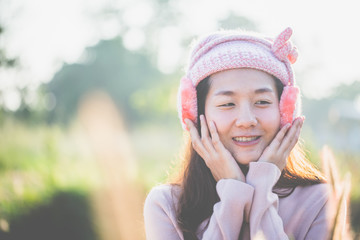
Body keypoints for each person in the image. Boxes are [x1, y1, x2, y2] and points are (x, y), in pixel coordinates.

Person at [144, 27, 334, 240]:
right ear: (196, 114)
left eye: (262, 102)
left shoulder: (320, 200)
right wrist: (233, 193)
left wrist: (262, 185)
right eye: (227, 104)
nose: (246, 120)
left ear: (286, 111)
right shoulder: (166, 205)